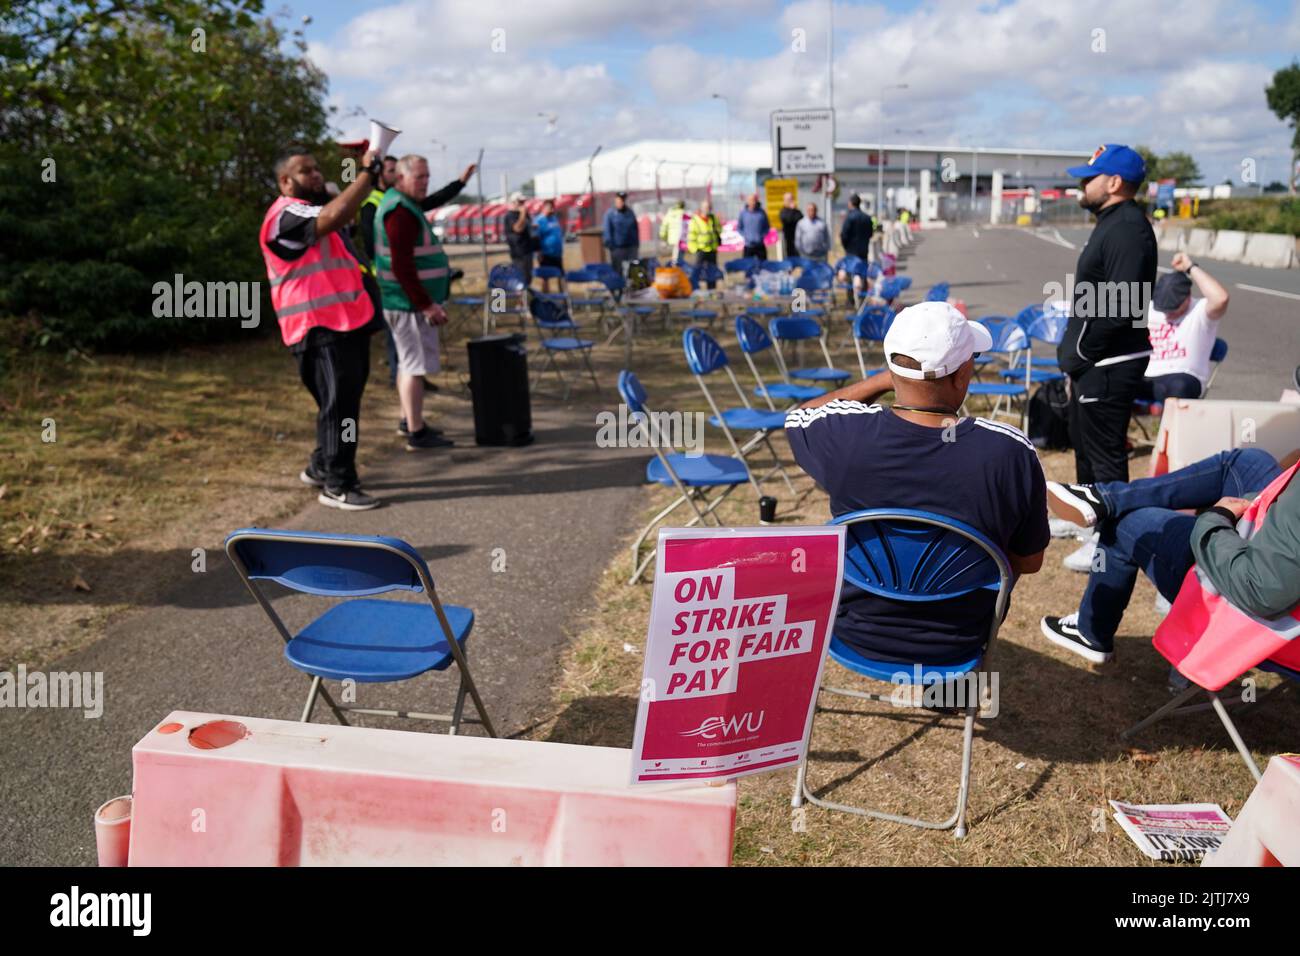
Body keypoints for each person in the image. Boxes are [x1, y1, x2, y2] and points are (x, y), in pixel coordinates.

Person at [785, 301, 1050, 665]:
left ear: (893, 367)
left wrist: (888, 378)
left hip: (854, 632)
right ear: (962, 376)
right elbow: (1030, 560)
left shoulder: (843, 436)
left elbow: (800, 416)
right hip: (958, 640)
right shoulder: (1008, 451)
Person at [1040, 448, 1299, 664]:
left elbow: (1261, 589)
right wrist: (1261, 501)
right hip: (1270, 551)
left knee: (1124, 523)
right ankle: (1104, 497)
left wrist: (1215, 521)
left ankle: (1091, 630)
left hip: (1244, 599)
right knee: (1248, 462)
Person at [260, 146, 384, 511]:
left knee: (339, 403)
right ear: (285, 182)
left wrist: (359, 166)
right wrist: (368, 172)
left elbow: (338, 201)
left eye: (317, 169)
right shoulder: (285, 215)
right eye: (305, 171)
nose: (315, 175)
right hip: (318, 328)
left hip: (342, 324)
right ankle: (338, 483)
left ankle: (320, 464)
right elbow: (338, 211)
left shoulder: (311, 207)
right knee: (339, 407)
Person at [1055, 144, 1158, 572]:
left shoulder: (1128, 228)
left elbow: (1122, 304)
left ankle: (1109, 544)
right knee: (1085, 447)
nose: (1081, 184)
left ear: (1114, 183)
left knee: (1106, 457)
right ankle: (1086, 520)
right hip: (1094, 364)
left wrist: (1079, 354)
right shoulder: (1111, 223)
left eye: (1089, 178)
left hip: (1109, 363)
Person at [374, 154, 456, 452]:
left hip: (404, 301)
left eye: (427, 176)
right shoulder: (400, 211)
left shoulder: (403, 204)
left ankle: (408, 420)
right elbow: (402, 265)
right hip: (407, 304)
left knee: (409, 365)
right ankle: (417, 432)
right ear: (401, 178)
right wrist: (426, 305)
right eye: (419, 177)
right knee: (413, 367)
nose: (425, 182)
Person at [1141, 251, 1229, 402]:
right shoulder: (1150, 308)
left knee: (1178, 387)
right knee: (1109, 380)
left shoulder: (1200, 311)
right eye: (1163, 309)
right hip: (1146, 375)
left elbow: (1221, 298)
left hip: (1183, 376)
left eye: (1173, 310)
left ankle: (1170, 425)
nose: (1167, 315)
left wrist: (1190, 267)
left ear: (1187, 298)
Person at [838, 194, 874, 298]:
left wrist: (846, 247)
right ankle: (863, 298)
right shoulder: (867, 218)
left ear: (850, 204)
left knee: (850, 275)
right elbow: (870, 234)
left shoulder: (849, 218)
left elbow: (844, 235)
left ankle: (851, 300)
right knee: (862, 274)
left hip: (851, 252)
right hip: (863, 251)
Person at [687, 198, 722, 289]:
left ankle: (711, 289)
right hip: (700, 250)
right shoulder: (695, 220)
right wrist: (694, 249)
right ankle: (695, 289)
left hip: (712, 249)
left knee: (712, 270)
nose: (708, 210)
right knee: (697, 271)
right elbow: (691, 236)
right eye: (706, 208)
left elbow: (719, 229)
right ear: (702, 208)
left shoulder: (713, 218)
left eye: (709, 208)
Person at [602, 191, 640, 276]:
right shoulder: (610, 214)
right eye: (619, 201)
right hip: (617, 248)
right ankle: (619, 288)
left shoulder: (630, 212)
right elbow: (607, 231)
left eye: (623, 201)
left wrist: (636, 244)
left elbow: (635, 229)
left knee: (632, 270)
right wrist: (611, 247)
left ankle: (631, 288)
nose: (621, 203)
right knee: (618, 270)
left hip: (631, 247)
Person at [504, 191, 535, 288]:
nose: (523, 205)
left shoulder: (525, 214)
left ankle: (525, 300)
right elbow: (517, 228)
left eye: (523, 202)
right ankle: (520, 301)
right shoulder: (510, 215)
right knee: (521, 278)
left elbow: (530, 227)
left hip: (527, 251)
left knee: (528, 278)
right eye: (520, 202)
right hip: (518, 252)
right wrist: (522, 214)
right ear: (514, 202)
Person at [534, 198, 565, 293]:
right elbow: (536, 238)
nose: (552, 210)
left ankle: (565, 300)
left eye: (553, 208)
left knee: (561, 277)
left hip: (557, 253)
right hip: (546, 254)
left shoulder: (554, 218)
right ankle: (545, 299)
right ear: (543, 208)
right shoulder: (539, 220)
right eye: (550, 208)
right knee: (545, 278)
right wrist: (539, 253)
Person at [736, 193, 769, 261]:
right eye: (751, 200)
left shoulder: (762, 213)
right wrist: (746, 236)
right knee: (748, 266)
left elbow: (767, 227)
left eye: (754, 200)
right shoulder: (743, 213)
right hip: (748, 246)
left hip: (760, 245)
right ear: (748, 201)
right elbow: (739, 228)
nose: (753, 202)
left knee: (763, 266)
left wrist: (761, 236)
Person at [659, 198, 688, 266]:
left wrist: (663, 238)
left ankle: (675, 270)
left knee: (676, 257)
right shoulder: (684, 215)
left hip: (672, 240)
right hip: (681, 240)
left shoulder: (669, 214)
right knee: (678, 259)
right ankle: (675, 271)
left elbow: (664, 226)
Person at [779, 192, 803, 260]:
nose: (791, 201)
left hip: (798, 239)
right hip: (788, 239)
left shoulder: (797, 211)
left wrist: (794, 210)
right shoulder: (783, 211)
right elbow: (788, 220)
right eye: (789, 200)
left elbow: (800, 219)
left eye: (792, 199)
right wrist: (792, 210)